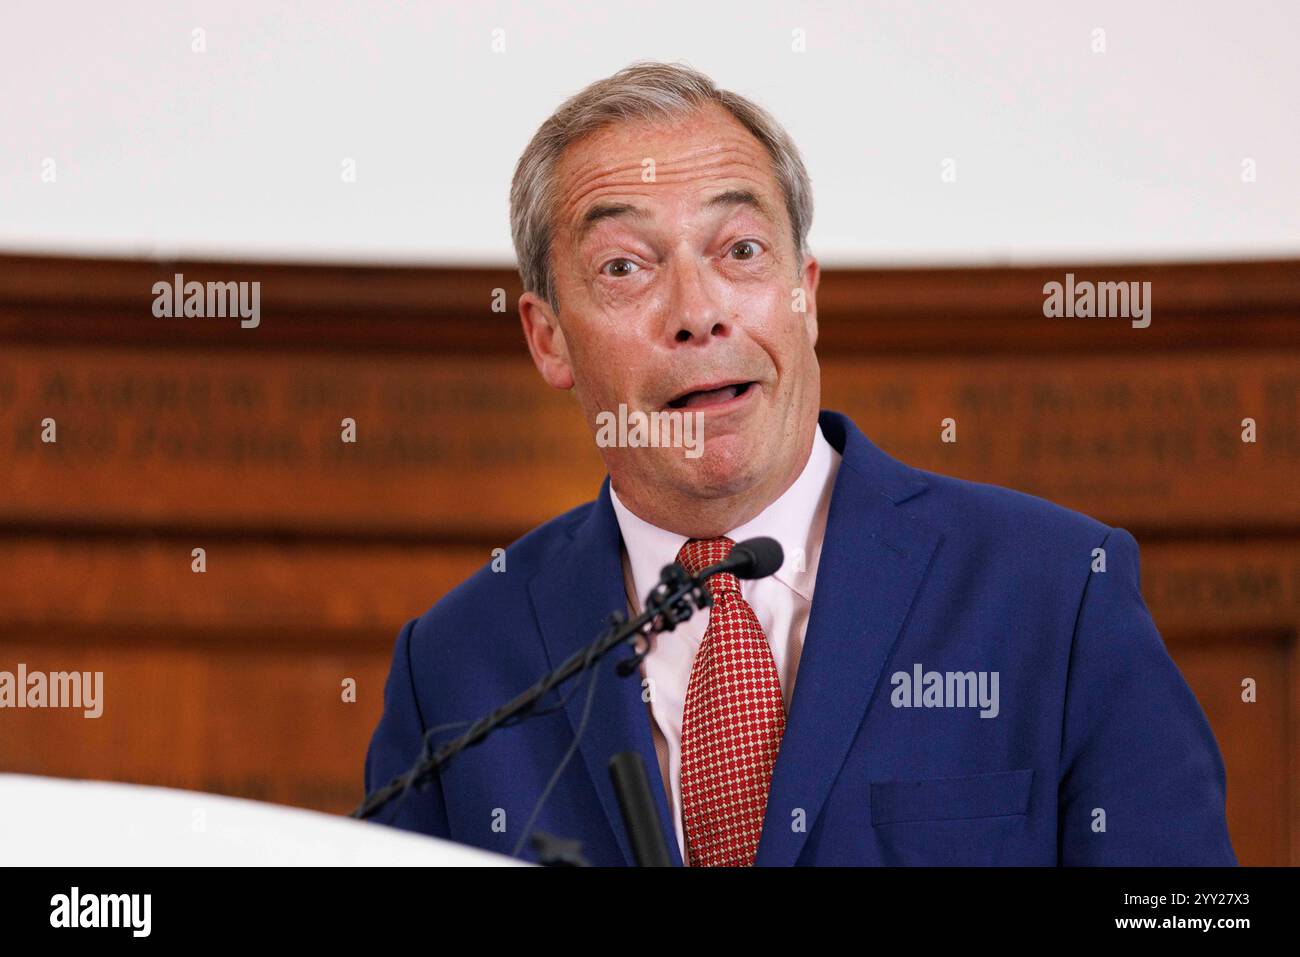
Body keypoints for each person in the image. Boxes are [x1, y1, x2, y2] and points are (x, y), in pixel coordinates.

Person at [364, 60, 1236, 866]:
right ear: (548, 338)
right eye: (625, 266)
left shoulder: (1055, 590)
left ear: (805, 296)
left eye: (739, 251)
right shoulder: (456, 662)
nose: (697, 313)